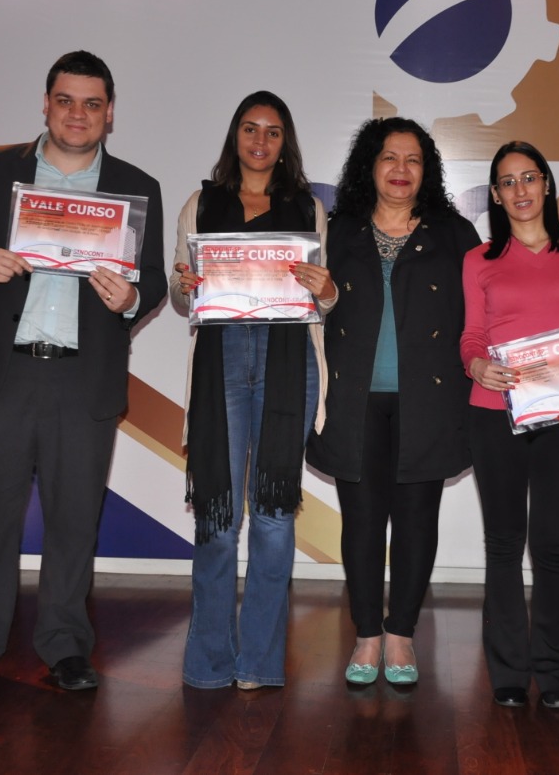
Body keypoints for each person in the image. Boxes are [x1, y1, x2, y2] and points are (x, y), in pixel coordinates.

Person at [0, 50, 166, 695]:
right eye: (65, 100)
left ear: (109, 114)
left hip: (82, 379)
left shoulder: (136, 186)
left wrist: (132, 298)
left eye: (92, 104)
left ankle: (65, 647)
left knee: (74, 522)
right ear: (45, 104)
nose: (77, 114)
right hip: (3, 374)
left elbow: (151, 279)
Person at [306, 117, 480, 686]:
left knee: (415, 521)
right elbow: (306, 305)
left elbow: (480, 314)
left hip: (429, 401)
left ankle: (401, 634)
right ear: (369, 165)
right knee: (360, 522)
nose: (401, 170)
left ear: (427, 171)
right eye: (389, 157)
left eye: (413, 160)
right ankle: (366, 635)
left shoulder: (454, 233)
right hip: (352, 398)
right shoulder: (337, 230)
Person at [171, 91, 335, 690]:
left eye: (272, 131)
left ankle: (259, 662)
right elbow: (182, 295)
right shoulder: (201, 203)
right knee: (218, 522)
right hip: (221, 360)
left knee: (272, 519)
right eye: (249, 128)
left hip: (287, 361)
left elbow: (323, 299)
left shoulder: (307, 208)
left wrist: (326, 288)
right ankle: (210, 661)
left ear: (284, 142)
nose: (260, 141)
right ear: (234, 136)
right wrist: (186, 284)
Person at [460, 141, 559, 709]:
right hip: (492, 411)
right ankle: (507, 672)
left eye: (529, 177)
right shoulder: (479, 259)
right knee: (503, 544)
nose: (520, 190)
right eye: (507, 182)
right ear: (495, 196)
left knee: (551, 545)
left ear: (546, 183)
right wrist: (476, 365)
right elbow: (473, 335)